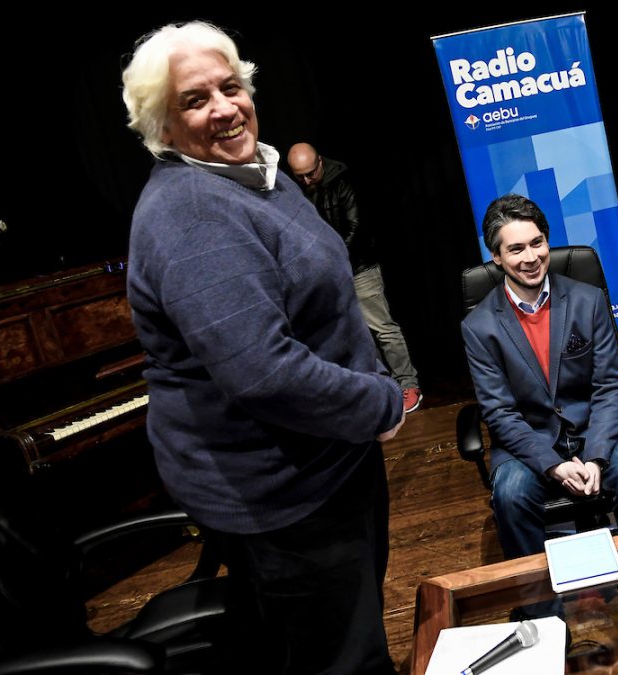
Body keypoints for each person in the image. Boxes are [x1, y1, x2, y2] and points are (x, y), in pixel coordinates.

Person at [121, 22, 403, 674]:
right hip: (286, 496)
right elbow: (264, 372)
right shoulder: (193, 214)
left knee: (340, 632)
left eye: (230, 86)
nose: (223, 107)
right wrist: (381, 401)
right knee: (343, 658)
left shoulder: (253, 175)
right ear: (162, 125)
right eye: (195, 100)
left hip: (327, 462)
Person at [461, 194, 618, 563]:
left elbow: (609, 385)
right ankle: (541, 614)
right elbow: (500, 412)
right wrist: (552, 464)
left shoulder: (589, 300)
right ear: (497, 257)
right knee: (510, 495)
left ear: (547, 241)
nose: (530, 257)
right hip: (529, 436)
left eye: (537, 243)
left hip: (594, 426)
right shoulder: (478, 327)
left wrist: (597, 457)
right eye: (516, 249)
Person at [287, 142, 422, 413]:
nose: (306, 180)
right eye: (299, 176)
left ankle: (409, 384)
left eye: (310, 173)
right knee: (353, 333)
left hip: (359, 267)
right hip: (327, 274)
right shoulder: (295, 191)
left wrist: (334, 261)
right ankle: (379, 388)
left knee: (382, 328)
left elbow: (356, 228)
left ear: (320, 163)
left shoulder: (344, 181)